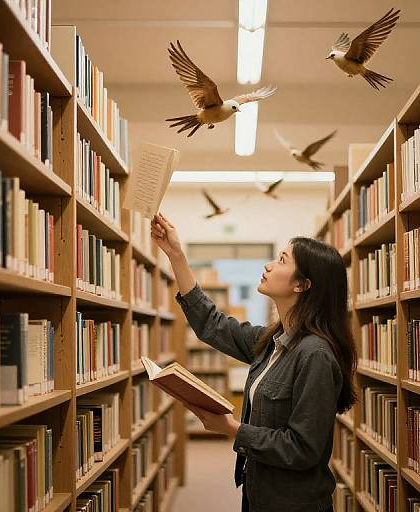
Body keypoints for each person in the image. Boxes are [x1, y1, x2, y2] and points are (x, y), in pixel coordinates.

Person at [151, 213, 357, 512]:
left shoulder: (315, 356)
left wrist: (232, 428)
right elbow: (211, 323)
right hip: (258, 492)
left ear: (302, 285)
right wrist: (176, 255)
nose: (269, 265)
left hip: (293, 504)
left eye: (282, 260)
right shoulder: (272, 341)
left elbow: (303, 449)